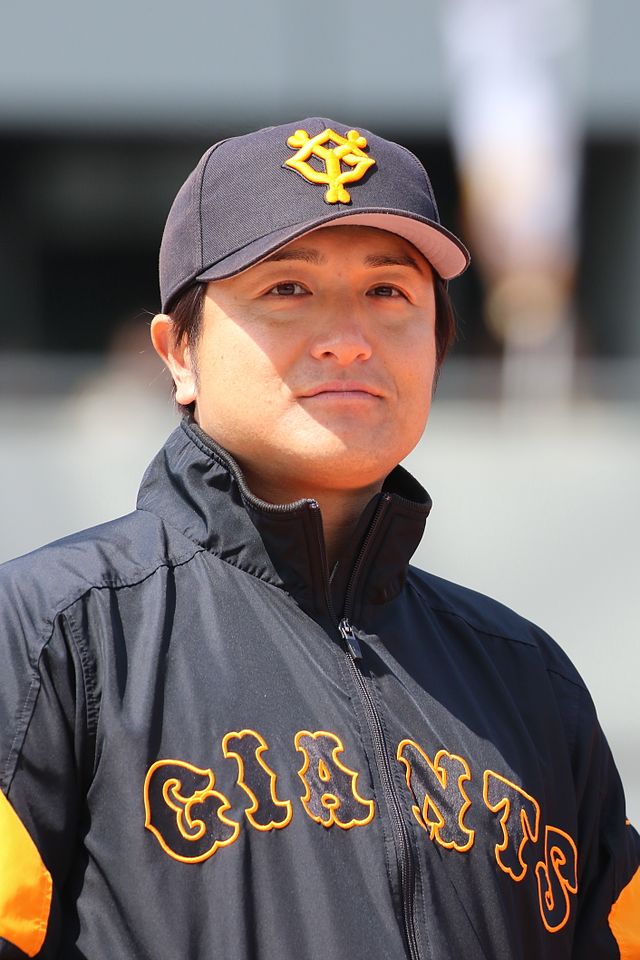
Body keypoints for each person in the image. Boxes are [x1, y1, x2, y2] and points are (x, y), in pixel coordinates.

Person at [0, 118, 637, 960]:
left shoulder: (530, 681)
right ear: (177, 353)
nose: (348, 337)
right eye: (288, 290)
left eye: (389, 293)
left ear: (439, 347)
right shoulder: (54, 631)